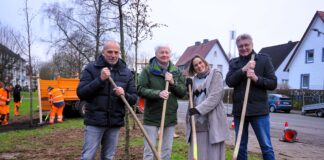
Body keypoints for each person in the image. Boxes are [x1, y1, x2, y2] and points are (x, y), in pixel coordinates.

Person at [77, 40, 137, 160]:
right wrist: (100, 79)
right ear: (103, 52)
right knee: (88, 156)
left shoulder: (126, 72)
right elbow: (81, 93)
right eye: (110, 52)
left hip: (114, 122)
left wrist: (124, 94)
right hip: (94, 121)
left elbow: (134, 98)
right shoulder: (91, 68)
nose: (113, 55)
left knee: (108, 157)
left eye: (116, 52)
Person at [225, 33, 277, 160]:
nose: (243, 48)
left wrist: (256, 78)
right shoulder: (234, 63)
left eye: (246, 45)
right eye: (240, 46)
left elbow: (273, 83)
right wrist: (243, 69)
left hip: (259, 112)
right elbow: (229, 81)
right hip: (239, 112)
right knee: (241, 146)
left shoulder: (264, 60)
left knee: (266, 146)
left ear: (252, 44)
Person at [137, 44, 186, 160]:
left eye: (167, 52)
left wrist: (173, 83)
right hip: (152, 116)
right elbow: (139, 89)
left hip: (169, 116)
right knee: (149, 150)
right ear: (156, 54)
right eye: (161, 52)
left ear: (170, 54)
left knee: (166, 150)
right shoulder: (148, 70)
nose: (164, 55)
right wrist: (157, 93)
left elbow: (182, 93)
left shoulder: (176, 71)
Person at [185, 55, 229, 160]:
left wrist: (198, 110)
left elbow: (215, 97)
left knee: (212, 153)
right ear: (193, 68)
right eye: (196, 65)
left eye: (200, 63)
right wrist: (187, 88)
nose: (199, 66)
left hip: (212, 121)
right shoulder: (193, 80)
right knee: (198, 151)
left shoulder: (215, 75)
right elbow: (192, 98)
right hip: (197, 122)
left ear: (204, 62)